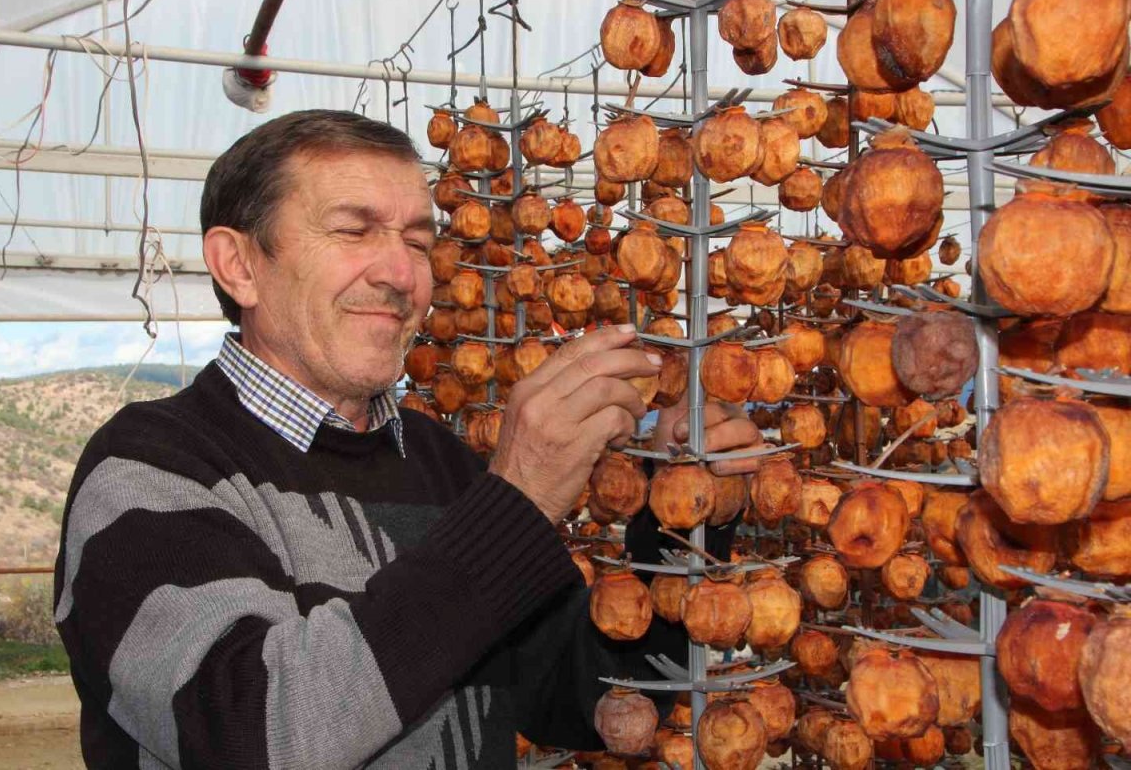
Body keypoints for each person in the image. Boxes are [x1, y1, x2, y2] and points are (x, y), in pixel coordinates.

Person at [53, 109, 762, 769]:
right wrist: (514, 506)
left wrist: (681, 513)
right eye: (354, 230)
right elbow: (257, 729)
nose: (402, 274)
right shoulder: (148, 470)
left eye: (419, 241)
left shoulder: (438, 463)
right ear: (240, 265)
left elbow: (578, 696)